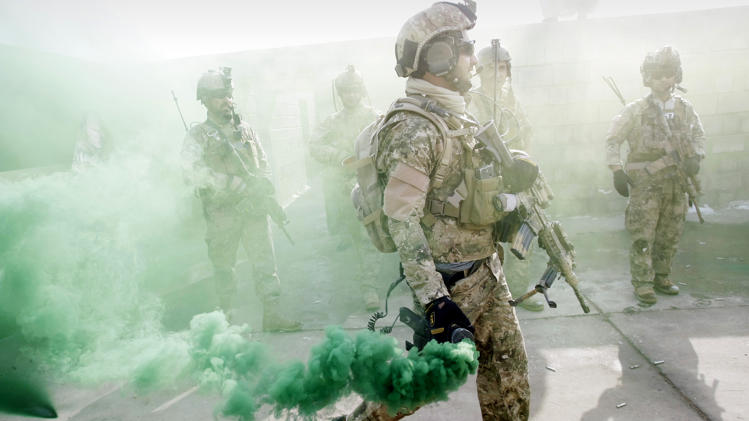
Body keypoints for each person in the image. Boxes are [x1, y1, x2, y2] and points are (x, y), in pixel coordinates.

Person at [345, 2, 530, 420]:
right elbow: (403, 222)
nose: (474, 59)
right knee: (417, 385)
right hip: (451, 285)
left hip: (487, 269)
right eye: (466, 49)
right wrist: (435, 302)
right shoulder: (415, 129)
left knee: (509, 374)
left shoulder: (454, 115)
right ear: (440, 57)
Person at [181, 68, 301, 332]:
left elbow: (263, 162)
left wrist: (263, 185)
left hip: (254, 211)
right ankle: (225, 322)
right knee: (225, 270)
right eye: (218, 96)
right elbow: (191, 171)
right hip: (222, 215)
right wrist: (230, 183)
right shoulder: (199, 135)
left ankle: (272, 315)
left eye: (228, 95)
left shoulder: (245, 130)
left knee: (265, 266)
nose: (226, 100)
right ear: (205, 100)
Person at [605, 46, 705, 305]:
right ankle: (642, 282)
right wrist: (617, 170)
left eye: (669, 73)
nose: (663, 79)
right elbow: (613, 140)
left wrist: (695, 157)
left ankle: (662, 276)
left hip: (676, 182)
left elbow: (698, 135)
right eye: (658, 74)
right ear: (648, 77)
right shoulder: (636, 110)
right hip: (646, 183)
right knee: (643, 235)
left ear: (677, 75)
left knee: (670, 233)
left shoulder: (685, 108)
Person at [468, 43, 545, 312]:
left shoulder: (511, 100)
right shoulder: (473, 100)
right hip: (486, 181)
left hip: (514, 180)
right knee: (484, 238)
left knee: (523, 233)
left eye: (503, 68)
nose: (499, 74)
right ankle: (489, 296)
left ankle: (520, 291)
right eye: (493, 68)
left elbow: (526, 134)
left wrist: (525, 168)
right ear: (481, 71)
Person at [310, 66, 382, 310]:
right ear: (340, 94)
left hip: (371, 186)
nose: (350, 96)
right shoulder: (332, 122)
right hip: (343, 189)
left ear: (361, 91)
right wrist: (339, 156)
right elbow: (314, 145)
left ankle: (371, 287)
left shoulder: (375, 118)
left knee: (371, 237)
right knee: (352, 238)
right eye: (346, 92)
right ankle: (360, 285)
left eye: (354, 90)